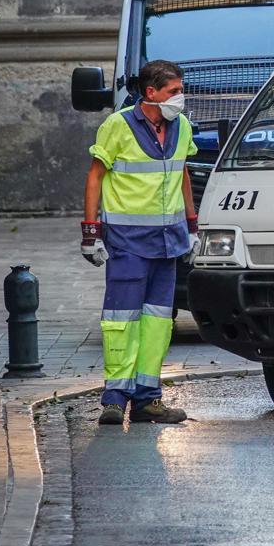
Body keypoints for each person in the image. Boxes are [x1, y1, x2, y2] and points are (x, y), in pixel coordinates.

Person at [83, 59, 197, 425]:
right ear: (151, 93)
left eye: (180, 90)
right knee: (120, 321)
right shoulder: (117, 126)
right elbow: (95, 177)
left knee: (157, 324)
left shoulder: (181, 127)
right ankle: (114, 400)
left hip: (168, 245)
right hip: (128, 243)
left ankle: (148, 399)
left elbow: (182, 177)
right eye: (173, 92)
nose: (180, 98)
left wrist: (192, 227)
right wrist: (90, 232)